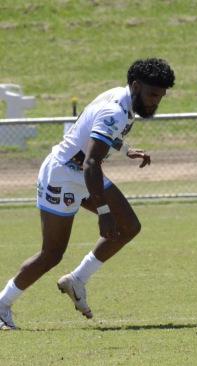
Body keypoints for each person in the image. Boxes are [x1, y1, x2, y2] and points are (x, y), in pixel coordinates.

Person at [0, 58, 175, 330]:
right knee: (52, 254)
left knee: (129, 226)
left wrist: (126, 149)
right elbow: (90, 162)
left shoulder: (121, 98)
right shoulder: (115, 110)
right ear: (136, 86)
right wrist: (103, 212)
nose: (155, 102)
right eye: (153, 95)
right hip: (63, 175)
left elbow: (95, 132)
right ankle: (2, 304)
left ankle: (77, 280)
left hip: (83, 174)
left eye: (161, 97)